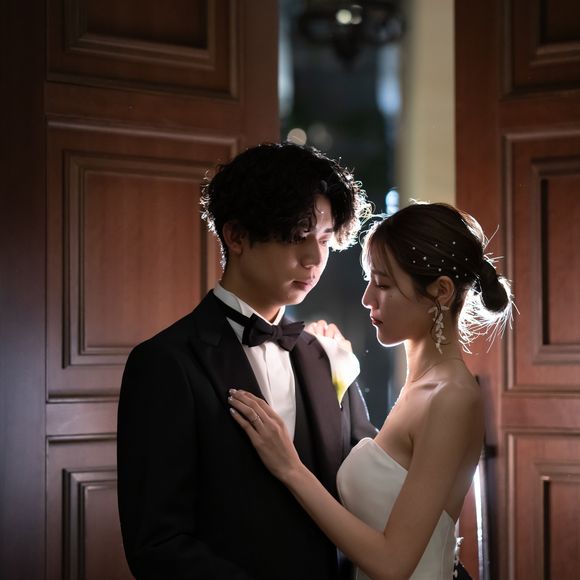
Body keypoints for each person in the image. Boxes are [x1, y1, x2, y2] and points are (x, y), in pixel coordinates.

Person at [116, 142, 377, 580]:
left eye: (325, 240)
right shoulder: (165, 362)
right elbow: (157, 543)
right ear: (236, 236)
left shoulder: (326, 355)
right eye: (297, 236)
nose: (315, 259)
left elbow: (364, 493)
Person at [229, 202, 513, 580]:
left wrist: (290, 468)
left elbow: (393, 564)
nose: (367, 298)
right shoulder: (423, 385)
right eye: (369, 280)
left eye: (383, 284)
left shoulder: (452, 397)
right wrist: (339, 379)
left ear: (441, 291)